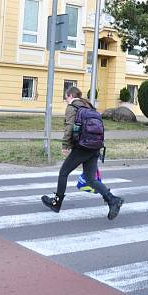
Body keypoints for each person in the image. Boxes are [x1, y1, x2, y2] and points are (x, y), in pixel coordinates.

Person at [41, 87, 124, 220]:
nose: (66, 100)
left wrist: (65, 145)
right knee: (90, 179)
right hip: (95, 147)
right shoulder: (89, 106)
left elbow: (69, 126)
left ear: (70, 95)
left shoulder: (73, 107)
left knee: (63, 173)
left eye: (66, 97)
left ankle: (56, 204)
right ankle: (113, 200)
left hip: (82, 147)